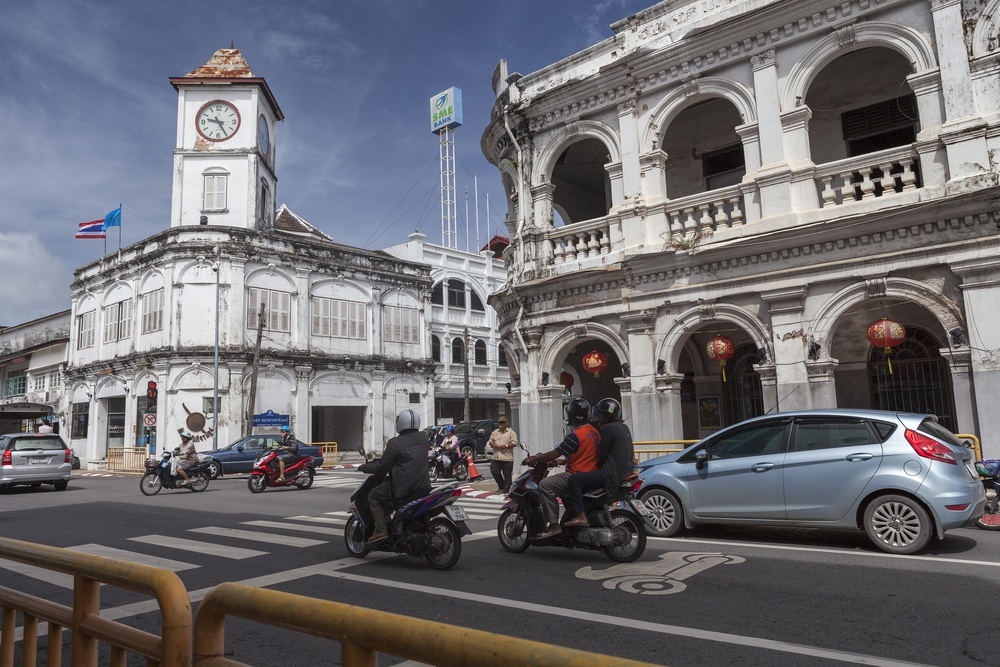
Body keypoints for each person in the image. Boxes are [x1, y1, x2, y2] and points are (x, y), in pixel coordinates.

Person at [522, 398, 601, 537]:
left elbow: (553, 454)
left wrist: (532, 459)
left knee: (545, 485)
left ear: (571, 416)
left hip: (577, 474)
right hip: (592, 474)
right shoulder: (593, 432)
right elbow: (585, 452)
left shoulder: (575, 435)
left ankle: (553, 526)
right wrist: (564, 461)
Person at [358, 409, 432, 543]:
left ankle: (380, 530)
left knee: (373, 496)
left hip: (403, 488)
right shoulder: (424, 438)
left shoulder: (395, 443)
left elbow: (381, 467)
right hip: (423, 487)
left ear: (401, 423)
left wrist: (365, 467)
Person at [565, 398, 635, 525]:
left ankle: (581, 516)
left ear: (606, 415)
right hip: (626, 472)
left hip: (611, 474)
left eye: (601, 414)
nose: (598, 417)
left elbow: (602, 455)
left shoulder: (608, 428)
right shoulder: (624, 427)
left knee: (573, 480)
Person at [487, 416, 518, 494]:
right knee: (494, 471)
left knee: (507, 475)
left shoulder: (511, 433)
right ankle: (501, 486)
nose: (501, 424)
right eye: (500, 423)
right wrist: (494, 444)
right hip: (496, 457)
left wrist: (506, 446)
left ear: (506, 423)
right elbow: (490, 441)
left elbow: (514, 443)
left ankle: (506, 490)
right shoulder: (495, 432)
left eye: (503, 423)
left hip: (507, 457)